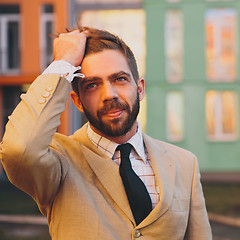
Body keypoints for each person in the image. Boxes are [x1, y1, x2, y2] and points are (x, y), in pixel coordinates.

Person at [0, 27, 212, 239]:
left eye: (119, 79)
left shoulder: (185, 163)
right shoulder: (58, 161)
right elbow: (19, 148)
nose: (109, 94)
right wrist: (63, 63)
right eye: (92, 85)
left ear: (140, 89)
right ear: (77, 101)